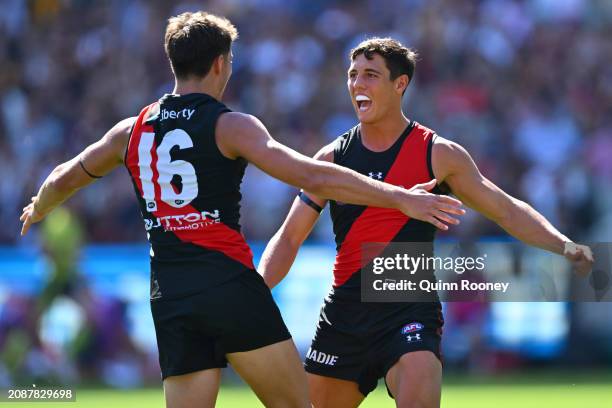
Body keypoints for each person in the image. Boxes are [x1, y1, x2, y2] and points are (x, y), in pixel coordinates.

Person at [19, 13, 465, 408]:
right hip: (228, 283)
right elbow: (313, 177)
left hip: (171, 296)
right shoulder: (230, 125)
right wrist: (400, 197)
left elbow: (66, 177)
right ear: (220, 64)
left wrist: (39, 205)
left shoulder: (129, 132)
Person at [259, 37, 594, 408]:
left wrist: (563, 244)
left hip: (409, 307)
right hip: (345, 314)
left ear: (399, 84)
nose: (358, 84)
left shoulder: (438, 154)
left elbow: (506, 209)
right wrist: (252, 294)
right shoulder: (332, 157)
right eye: (353, 75)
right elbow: (289, 238)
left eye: (371, 75)